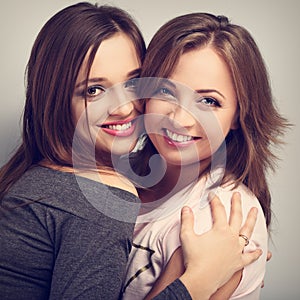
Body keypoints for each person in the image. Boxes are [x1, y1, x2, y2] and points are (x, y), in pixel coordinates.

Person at [0, 3, 262, 300]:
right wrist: (198, 282)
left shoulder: (42, 178)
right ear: (57, 100)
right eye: (93, 91)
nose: (125, 108)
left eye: (133, 83)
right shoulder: (98, 196)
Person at [123, 12, 289, 299]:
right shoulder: (118, 173)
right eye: (166, 90)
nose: (180, 118)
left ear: (239, 115)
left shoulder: (217, 220)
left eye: (209, 101)